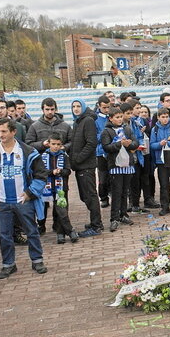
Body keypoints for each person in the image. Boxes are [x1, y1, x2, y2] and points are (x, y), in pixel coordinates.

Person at [0, 118, 49, 279]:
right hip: (1, 202)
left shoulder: (27, 151)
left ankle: (37, 260)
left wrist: (30, 193)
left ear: (13, 132)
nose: (0, 134)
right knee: (4, 235)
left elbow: (41, 174)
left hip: (23, 201)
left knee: (32, 231)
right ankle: (8, 264)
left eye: (4, 131)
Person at [68, 98, 103, 237]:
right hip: (79, 166)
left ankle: (96, 225)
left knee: (90, 196)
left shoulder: (87, 121)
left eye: (78, 106)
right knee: (85, 196)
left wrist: (78, 158)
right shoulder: (78, 121)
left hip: (86, 165)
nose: (75, 109)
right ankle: (95, 221)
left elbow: (91, 143)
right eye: (73, 106)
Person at [101, 107, 138, 232]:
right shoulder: (107, 131)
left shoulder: (127, 128)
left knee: (125, 191)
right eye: (116, 117)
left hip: (128, 165)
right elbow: (106, 147)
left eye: (120, 117)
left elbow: (136, 143)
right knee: (116, 192)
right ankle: (114, 218)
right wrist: (119, 144)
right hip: (115, 166)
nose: (119, 119)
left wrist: (129, 144)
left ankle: (123, 214)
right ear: (111, 118)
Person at [38, 133, 78, 244]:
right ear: (49, 144)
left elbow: (68, 170)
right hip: (48, 188)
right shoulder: (43, 156)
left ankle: (60, 234)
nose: (55, 146)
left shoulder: (64, 156)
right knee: (58, 211)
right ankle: (70, 231)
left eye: (58, 144)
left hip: (61, 188)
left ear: (61, 145)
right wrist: (52, 172)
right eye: (53, 144)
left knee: (62, 210)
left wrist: (60, 171)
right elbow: (41, 171)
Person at [150, 107, 170, 216]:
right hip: (161, 161)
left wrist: (169, 142)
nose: (165, 119)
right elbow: (152, 145)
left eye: (166, 117)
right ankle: (165, 206)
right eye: (162, 117)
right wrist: (160, 144)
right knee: (164, 185)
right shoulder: (155, 129)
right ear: (158, 117)